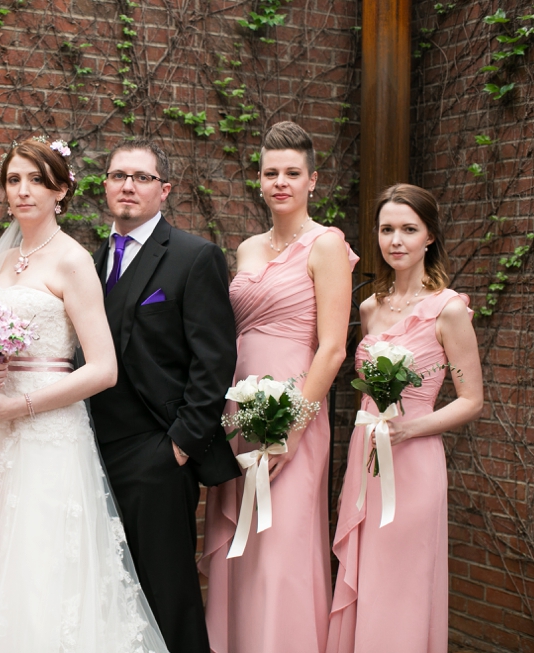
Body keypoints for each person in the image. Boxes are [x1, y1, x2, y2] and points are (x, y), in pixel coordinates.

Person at [0, 138, 170, 652]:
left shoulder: (73, 260)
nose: (23, 191)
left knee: (42, 562)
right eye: (13, 180)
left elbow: (104, 369)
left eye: (36, 180)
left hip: (48, 432)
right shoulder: (6, 257)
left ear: (61, 190)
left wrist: (21, 405)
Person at [199, 121, 358, 653]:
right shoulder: (246, 249)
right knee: (241, 550)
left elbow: (333, 347)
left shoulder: (327, 244)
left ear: (314, 180)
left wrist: (290, 428)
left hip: (295, 413)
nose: (281, 182)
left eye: (293, 172)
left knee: (282, 544)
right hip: (240, 412)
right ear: (259, 181)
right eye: (271, 173)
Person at [87, 140, 240, 653]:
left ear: (164, 190)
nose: (128, 186)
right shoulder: (93, 260)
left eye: (142, 177)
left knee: (166, 593)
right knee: (108, 592)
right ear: (105, 186)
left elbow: (214, 360)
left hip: (156, 452)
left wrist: (179, 446)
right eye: (117, 176)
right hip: (89, 454)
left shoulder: (195, 258)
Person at [327, 184, 483, 653]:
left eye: (408, 229)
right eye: (387, 229)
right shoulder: (369, 309)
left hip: (413, 462)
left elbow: (471, 399)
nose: (396, 240)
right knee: (368, 575)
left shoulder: (449, 310)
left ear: (429, 236)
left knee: (404, 581)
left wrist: (410, 428)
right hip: (366, 458)